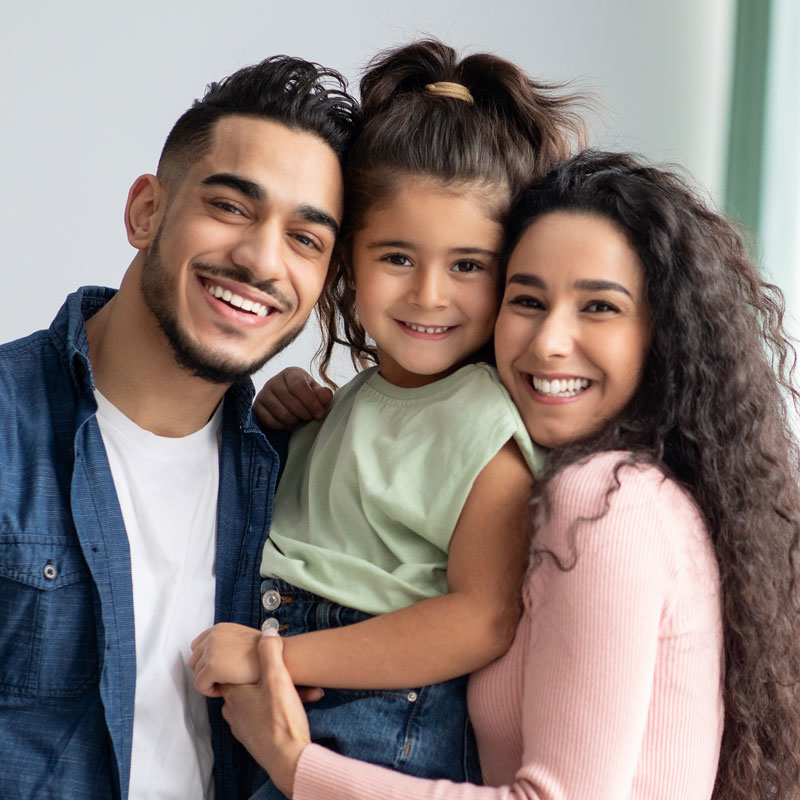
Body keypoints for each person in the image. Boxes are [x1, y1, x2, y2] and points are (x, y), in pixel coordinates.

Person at [217, 151, 800, 800]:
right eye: (527, 299)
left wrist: (295, 762)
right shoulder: (608, 488)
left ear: (662, 334)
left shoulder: (606, 504)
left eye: (599, 307)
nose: (549, 341)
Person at [188, 40, 586, 796]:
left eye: (468, 265)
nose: (430, 294)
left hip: (375, 726)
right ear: (346, 264)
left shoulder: (480, 420)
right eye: (398, 257)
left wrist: (280, 660)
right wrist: (284, 420)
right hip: (286, 684)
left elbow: (482, 618)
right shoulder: (359, 399)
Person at [0, 56, 359, 800]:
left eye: (306, 239)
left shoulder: (301, 476)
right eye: (231, 206)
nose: (262, 259)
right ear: (145, 212)